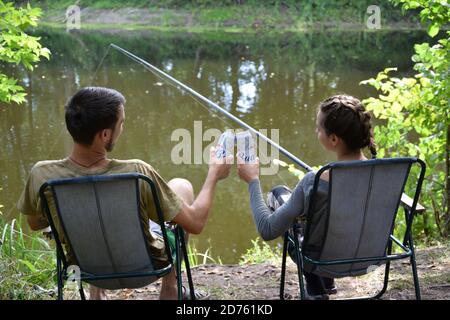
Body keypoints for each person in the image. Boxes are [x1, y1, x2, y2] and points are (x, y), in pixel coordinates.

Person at [18, 87, 232, 300]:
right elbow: (195, 223)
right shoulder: (137, 173)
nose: (122, 128)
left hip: (84, 268)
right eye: (121, 123)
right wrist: (214, 174)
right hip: (145, 267)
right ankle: (170, 289)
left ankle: (96, 294)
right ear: (104, 134)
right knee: (182, 186)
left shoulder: (42, 174)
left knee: (93, 217)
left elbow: (35, 223)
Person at [237, 94, 377, 300]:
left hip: (324, 260)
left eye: (318, 128)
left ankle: (317, 290)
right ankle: (326, 284)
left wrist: (252, 180)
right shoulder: (383, 173)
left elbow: (267, 229)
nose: (316, 131)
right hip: (371, 257)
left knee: (278, 194)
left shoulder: (314, 181)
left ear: (334, 139)